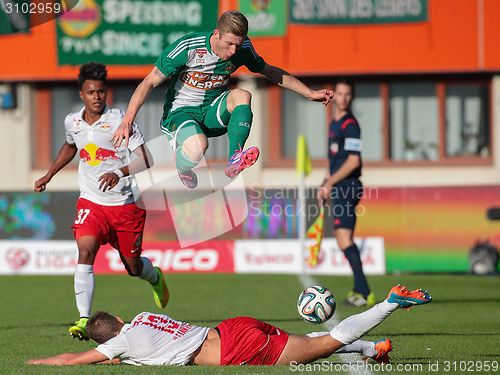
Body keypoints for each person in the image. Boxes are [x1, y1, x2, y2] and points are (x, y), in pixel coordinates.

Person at [111, 10, 334, 189]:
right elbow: (148, 82)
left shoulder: (243, 49)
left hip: (211, 111)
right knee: (198, 146)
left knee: (242, 95)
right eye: (229, 43)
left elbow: (270, 71)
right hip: (180, 114)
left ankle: (234, 157)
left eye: (238, 44)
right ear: (216, 33)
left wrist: (309, 93)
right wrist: (127, 120)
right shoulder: (188, 47)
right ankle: (183, 166)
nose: (233, 50)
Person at [34, 62, 169, 341]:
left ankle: (154, 276)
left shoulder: (121, 119)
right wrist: (48, 174)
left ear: (106, 92)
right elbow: (71, 145)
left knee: (133, 267)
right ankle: (84, 319)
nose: (97, 96)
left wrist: (119, 171)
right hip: (91, 203)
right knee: (85, 251)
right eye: (91, 91)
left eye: (101, 91)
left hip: (125, 206)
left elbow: (146, 158)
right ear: (82, 94)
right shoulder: (72, 121)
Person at [26, 284, 432, 366]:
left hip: (234, 352)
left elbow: (74, 359)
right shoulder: (141, 320)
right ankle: (368, 348)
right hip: (233, 327)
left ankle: (388, 305)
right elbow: (134, 339)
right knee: (304, 348)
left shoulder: (119, 345)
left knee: (321, 346)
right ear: (118, 320)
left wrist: (40, 363)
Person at [317, 78, 374, 308]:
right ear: (333, 97)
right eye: (339, 94)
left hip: (347, 185)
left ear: (352, 97)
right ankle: (361, 289)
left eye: (347, 94)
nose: (342, 98)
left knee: (344, 238)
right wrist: (326, 182)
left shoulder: (351, 124)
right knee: (343, 239)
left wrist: (329, 183)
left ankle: (364, 291)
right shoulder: (334, 124)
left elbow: (352, 161)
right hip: (338, 185)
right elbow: (337, 161)